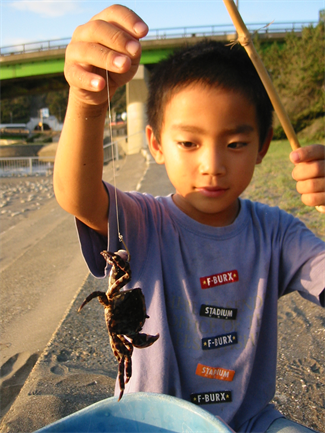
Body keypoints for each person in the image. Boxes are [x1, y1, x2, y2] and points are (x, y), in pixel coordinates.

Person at [54, 5, 325, 433]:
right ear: (157, 144)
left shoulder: (278, 234)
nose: (212, 165)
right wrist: (87, 99)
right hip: (153, 421)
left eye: (235, 143)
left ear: (263, 145)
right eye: (189, 142)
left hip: (252, 423)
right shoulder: (143, 223)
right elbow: (77, 194)